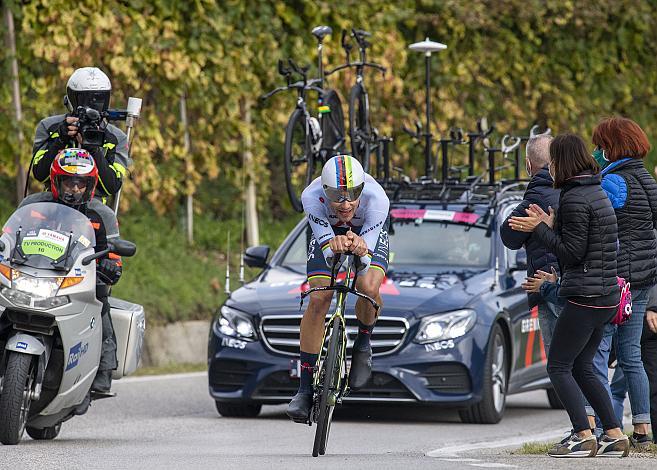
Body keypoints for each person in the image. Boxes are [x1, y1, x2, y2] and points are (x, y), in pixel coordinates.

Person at [508, 134, 629, 458]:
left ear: (563, 162)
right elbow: (590, 247)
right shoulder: (595, 191)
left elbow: (573, 253)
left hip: (583, 296)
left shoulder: (575, 198)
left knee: (559, 367)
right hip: (605, 295)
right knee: (584, 366)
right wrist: (552, 228)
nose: (552, 168)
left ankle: (582, 434)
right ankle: (614, 434)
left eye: (555, 162)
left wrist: (541, 229)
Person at [286, 155, 390, 422]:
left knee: (367, 285)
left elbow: (364, 257)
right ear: (324, 190)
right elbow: (328, 253)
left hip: (366, 232)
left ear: (362, 189)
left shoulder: (377, 200)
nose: (345, 204)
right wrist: (330, 243)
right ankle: (305, 388)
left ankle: (364, 344)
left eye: (353, 195)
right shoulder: (310, 197)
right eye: (337, 196)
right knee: (319, 298)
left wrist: (359, 248)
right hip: (328, 233)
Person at [21, 148, 123, 395]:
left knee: (101, 300)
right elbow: (10, 235)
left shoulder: (102, 215)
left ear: (91, 185)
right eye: (69, 182)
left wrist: (111, 266)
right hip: (31, 273)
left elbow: (115, 259)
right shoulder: (34, 205)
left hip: (76, 281)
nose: (74, 189)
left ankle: (103, 370)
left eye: (81, 183)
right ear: (56, 181)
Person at [584, 117, 657, 445]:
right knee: (631, 354)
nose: (597, 151)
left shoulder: (613, 182)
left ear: (613, 146)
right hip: (643, 280)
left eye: (600, 145)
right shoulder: (646, 178)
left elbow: (596, 225)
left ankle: (604, 427)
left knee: (597, 350)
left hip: (615, 281)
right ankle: (642, 427)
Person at [500, 134, 561, 355]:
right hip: (584, 287)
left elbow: (508, 237)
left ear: (528, 165)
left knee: (559, 364)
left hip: (549, 286)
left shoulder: (533, 201)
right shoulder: (577, 190)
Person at [31, 67, 129, 200]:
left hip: (93, 207)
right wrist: (60, 140)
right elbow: (40, 175)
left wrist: (93, 149)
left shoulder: (116, 137)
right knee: (28, 205)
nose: (91, 108)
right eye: (83, 100)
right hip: (53, 203)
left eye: (98, 100)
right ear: (71, 98)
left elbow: (111, 186)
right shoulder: (49, 127)